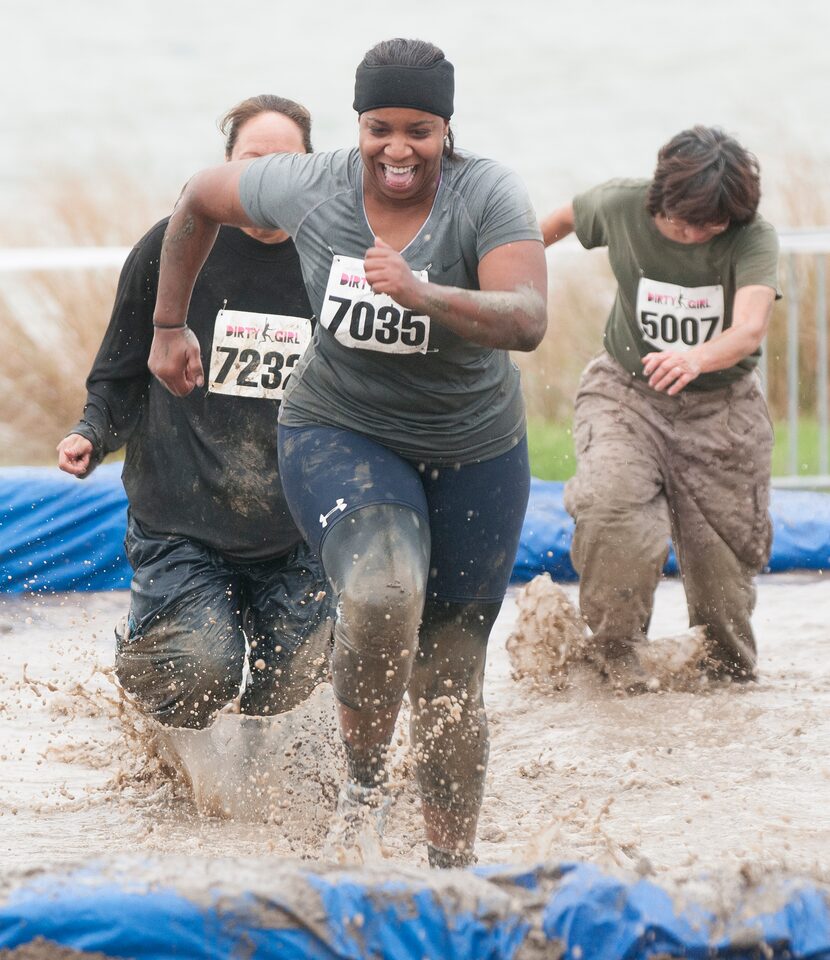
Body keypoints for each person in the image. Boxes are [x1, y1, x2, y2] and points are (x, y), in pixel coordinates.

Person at [145, 39, 547, 867]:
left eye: (421, 131)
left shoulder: (488, 194)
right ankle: (361, 791)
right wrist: (166, 325)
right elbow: (198, 199)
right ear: (358, 124)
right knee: (380, 590)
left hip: (475, 447)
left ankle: (450, 874)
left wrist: (422, 291)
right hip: (342, 430)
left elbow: (528, 318)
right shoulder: (311, 182)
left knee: (449, 672)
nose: (398, 150)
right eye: (380, 128)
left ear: (447, 129)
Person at [57, 95, 333, 730]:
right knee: (202, 669)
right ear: (226, 170)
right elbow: (120, 371)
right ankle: (157, 691)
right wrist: (91, 432)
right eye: (251, 162)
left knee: (292, 683)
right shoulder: (172, 246)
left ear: (310, 171)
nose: (265, 180)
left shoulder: (335, 257)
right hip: (180, 522)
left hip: (297, 528)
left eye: (283, 164)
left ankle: (261, 774)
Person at [540, 125, 780, 692]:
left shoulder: (753, 237)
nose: (696, 235)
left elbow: (749, 326)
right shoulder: (621, 204)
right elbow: (558, 222)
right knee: (611, 508)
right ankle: (614, 665)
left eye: (712, 226)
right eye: (684, 223)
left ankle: (725, 681)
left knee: (723, 589)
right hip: (627, 394)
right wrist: (497, 273)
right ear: (660, 198)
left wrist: (699, 357)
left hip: (723, 411)